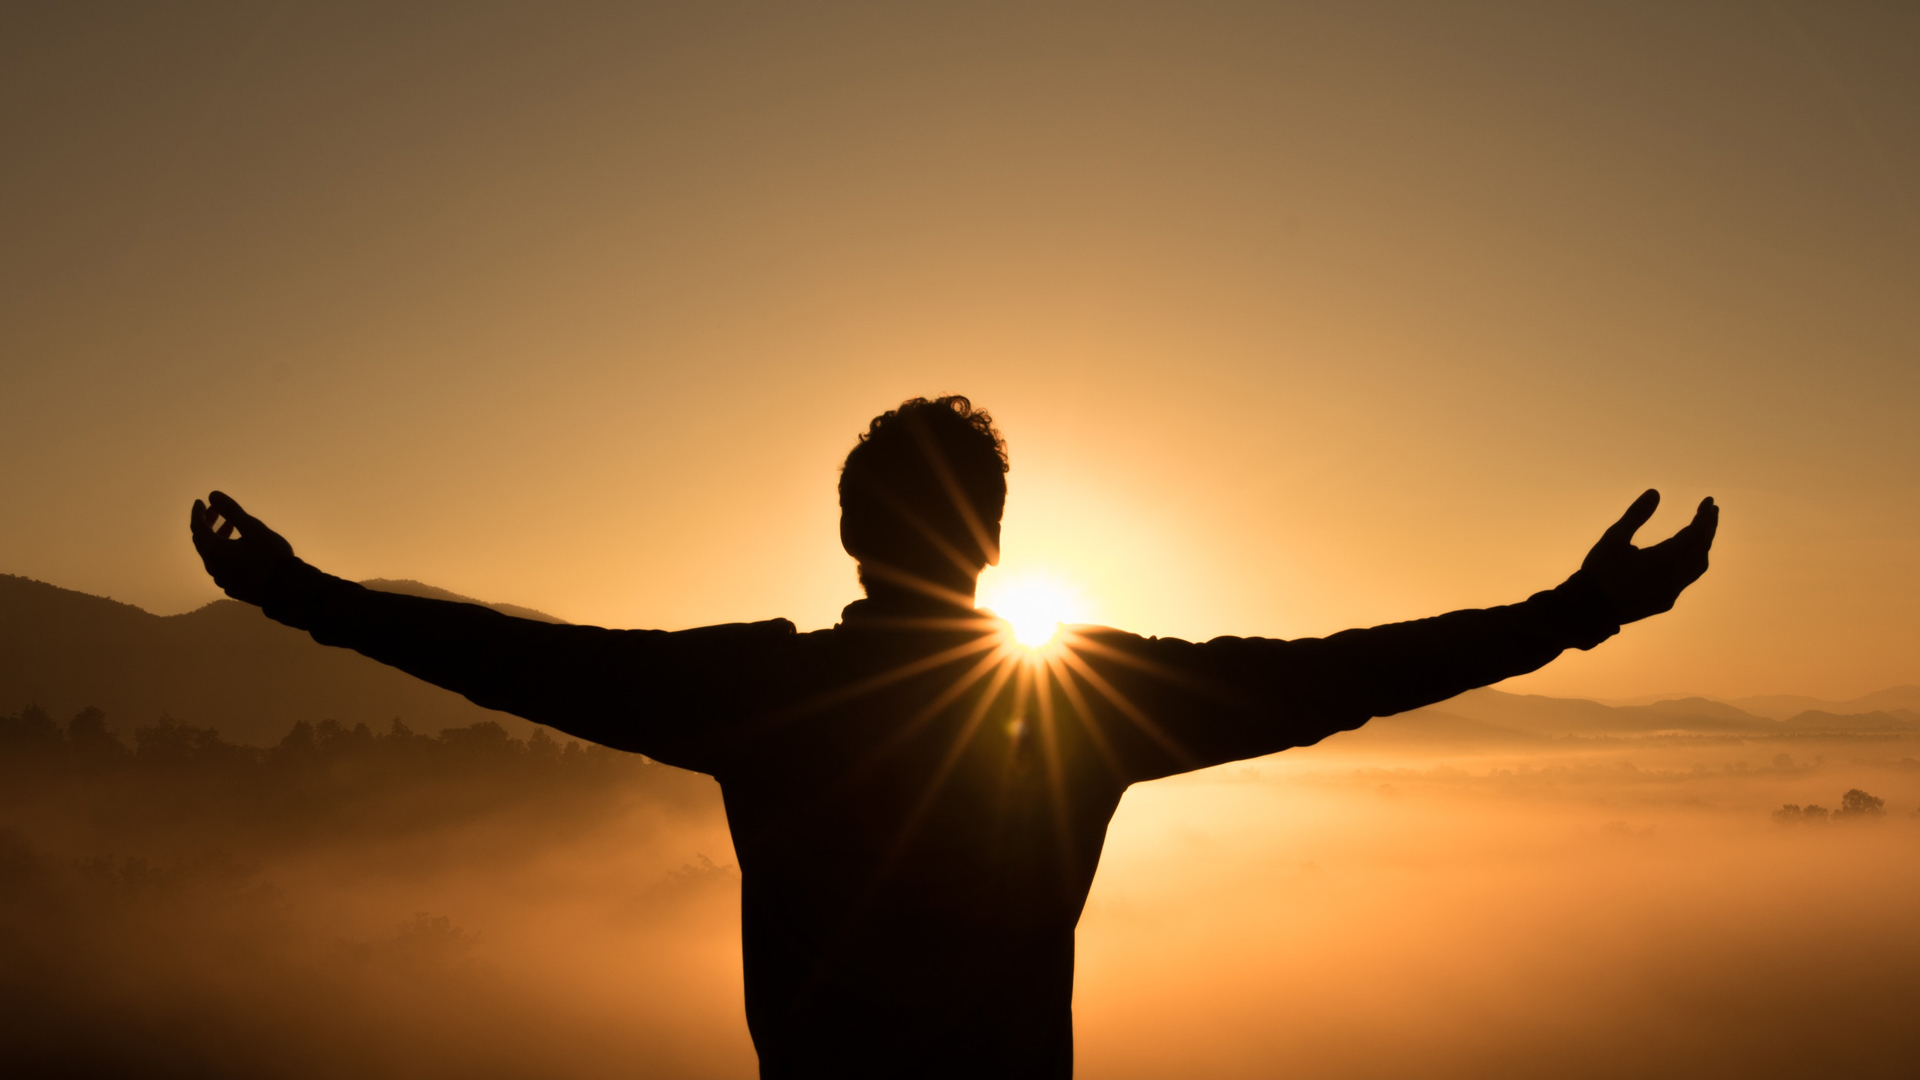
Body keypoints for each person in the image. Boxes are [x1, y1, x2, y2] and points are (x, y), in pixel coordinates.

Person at [189, 394, 1716, 1078]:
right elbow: (1339, 675)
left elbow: (515, 661)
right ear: (991, 542)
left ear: (851, 531)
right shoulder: (1083, 705)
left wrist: (307, 598)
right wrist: (1571, 614)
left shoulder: (763, 695)